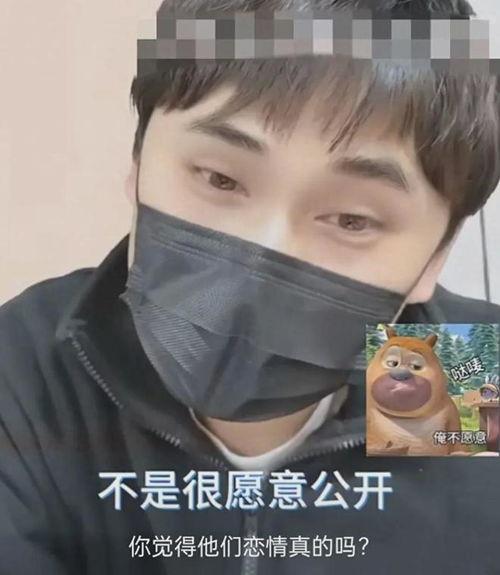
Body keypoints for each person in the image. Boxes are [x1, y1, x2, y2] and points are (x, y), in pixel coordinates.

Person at [0, 0, 498, 573]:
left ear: (436, 256)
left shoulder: (474, 378)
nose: (265, 253)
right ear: (137, 165)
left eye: (351, 219)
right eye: (220, 178)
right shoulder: (32, 364)